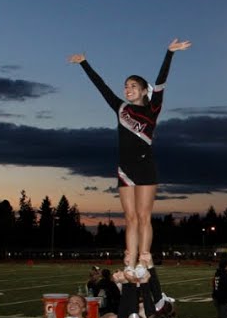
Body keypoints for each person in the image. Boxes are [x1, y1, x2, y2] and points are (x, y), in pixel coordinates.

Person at [70, 39, 192, 276]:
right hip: (124, 169)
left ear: (144, 90)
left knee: (144, 216)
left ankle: (145, 257)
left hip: (145, 167)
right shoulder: (121, 108)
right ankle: (130, 257)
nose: (128, 89)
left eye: (133, 85)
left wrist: (169, 53)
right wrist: (84, 63)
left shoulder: (152, 109)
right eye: (126, 85)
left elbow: (161, 83)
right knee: (130, 217)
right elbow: (102, 87)